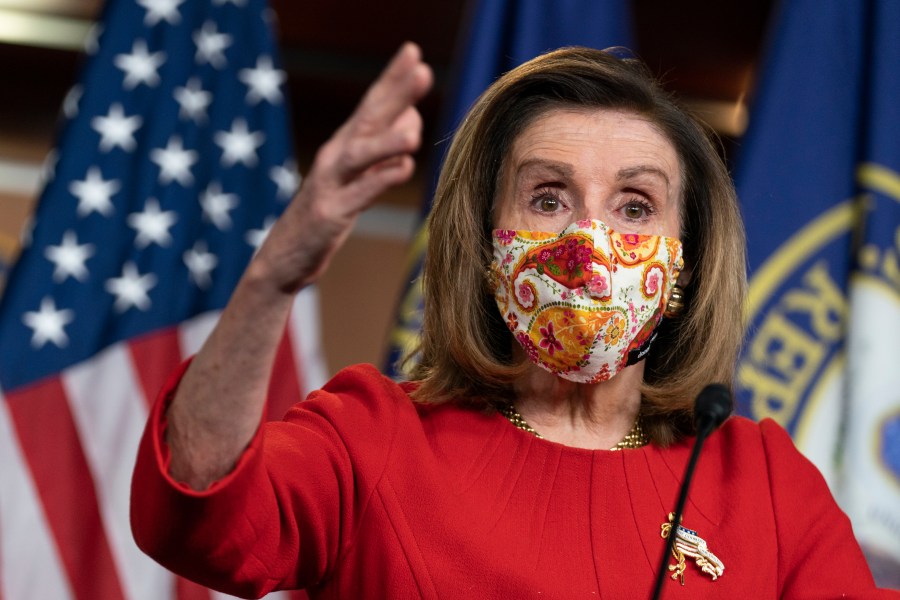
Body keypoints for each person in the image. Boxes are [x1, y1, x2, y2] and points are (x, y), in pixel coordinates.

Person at [130, 43, 896, 598]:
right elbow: (197, 512)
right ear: (487, 241)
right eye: (548, 198)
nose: (587, 242)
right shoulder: (379, 435)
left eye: (635, 207)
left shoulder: (757, 479)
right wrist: (272, 277)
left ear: (686, 261)